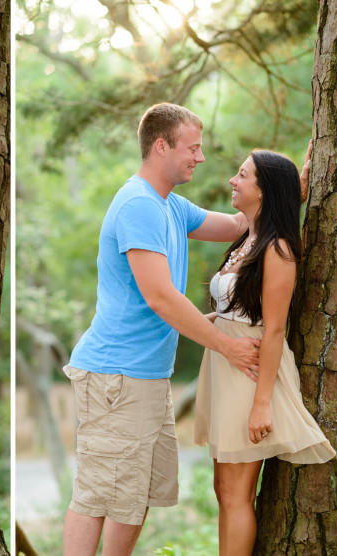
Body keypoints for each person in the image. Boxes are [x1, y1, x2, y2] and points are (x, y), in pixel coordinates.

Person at [60, 103, 262, 556]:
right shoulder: (138, 205)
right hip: (115, 376)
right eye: (192, 147)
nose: (201, 157)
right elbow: (160, 296)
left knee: (133, 496)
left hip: (146, 377)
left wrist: (293, 188)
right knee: (96, 495)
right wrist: (226, 347)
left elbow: (235, 224)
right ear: (161, 145)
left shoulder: (170, 205)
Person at [193, 149, 334, 556]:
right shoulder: (248, 238)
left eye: (242, 176)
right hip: (225, 366)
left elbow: (273, 330)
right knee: (223, 489)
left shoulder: (278, 250)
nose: (232, 182)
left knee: (237, 491)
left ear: (264, 189)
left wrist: (261, 405)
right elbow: (233, 309)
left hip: (251, 373)